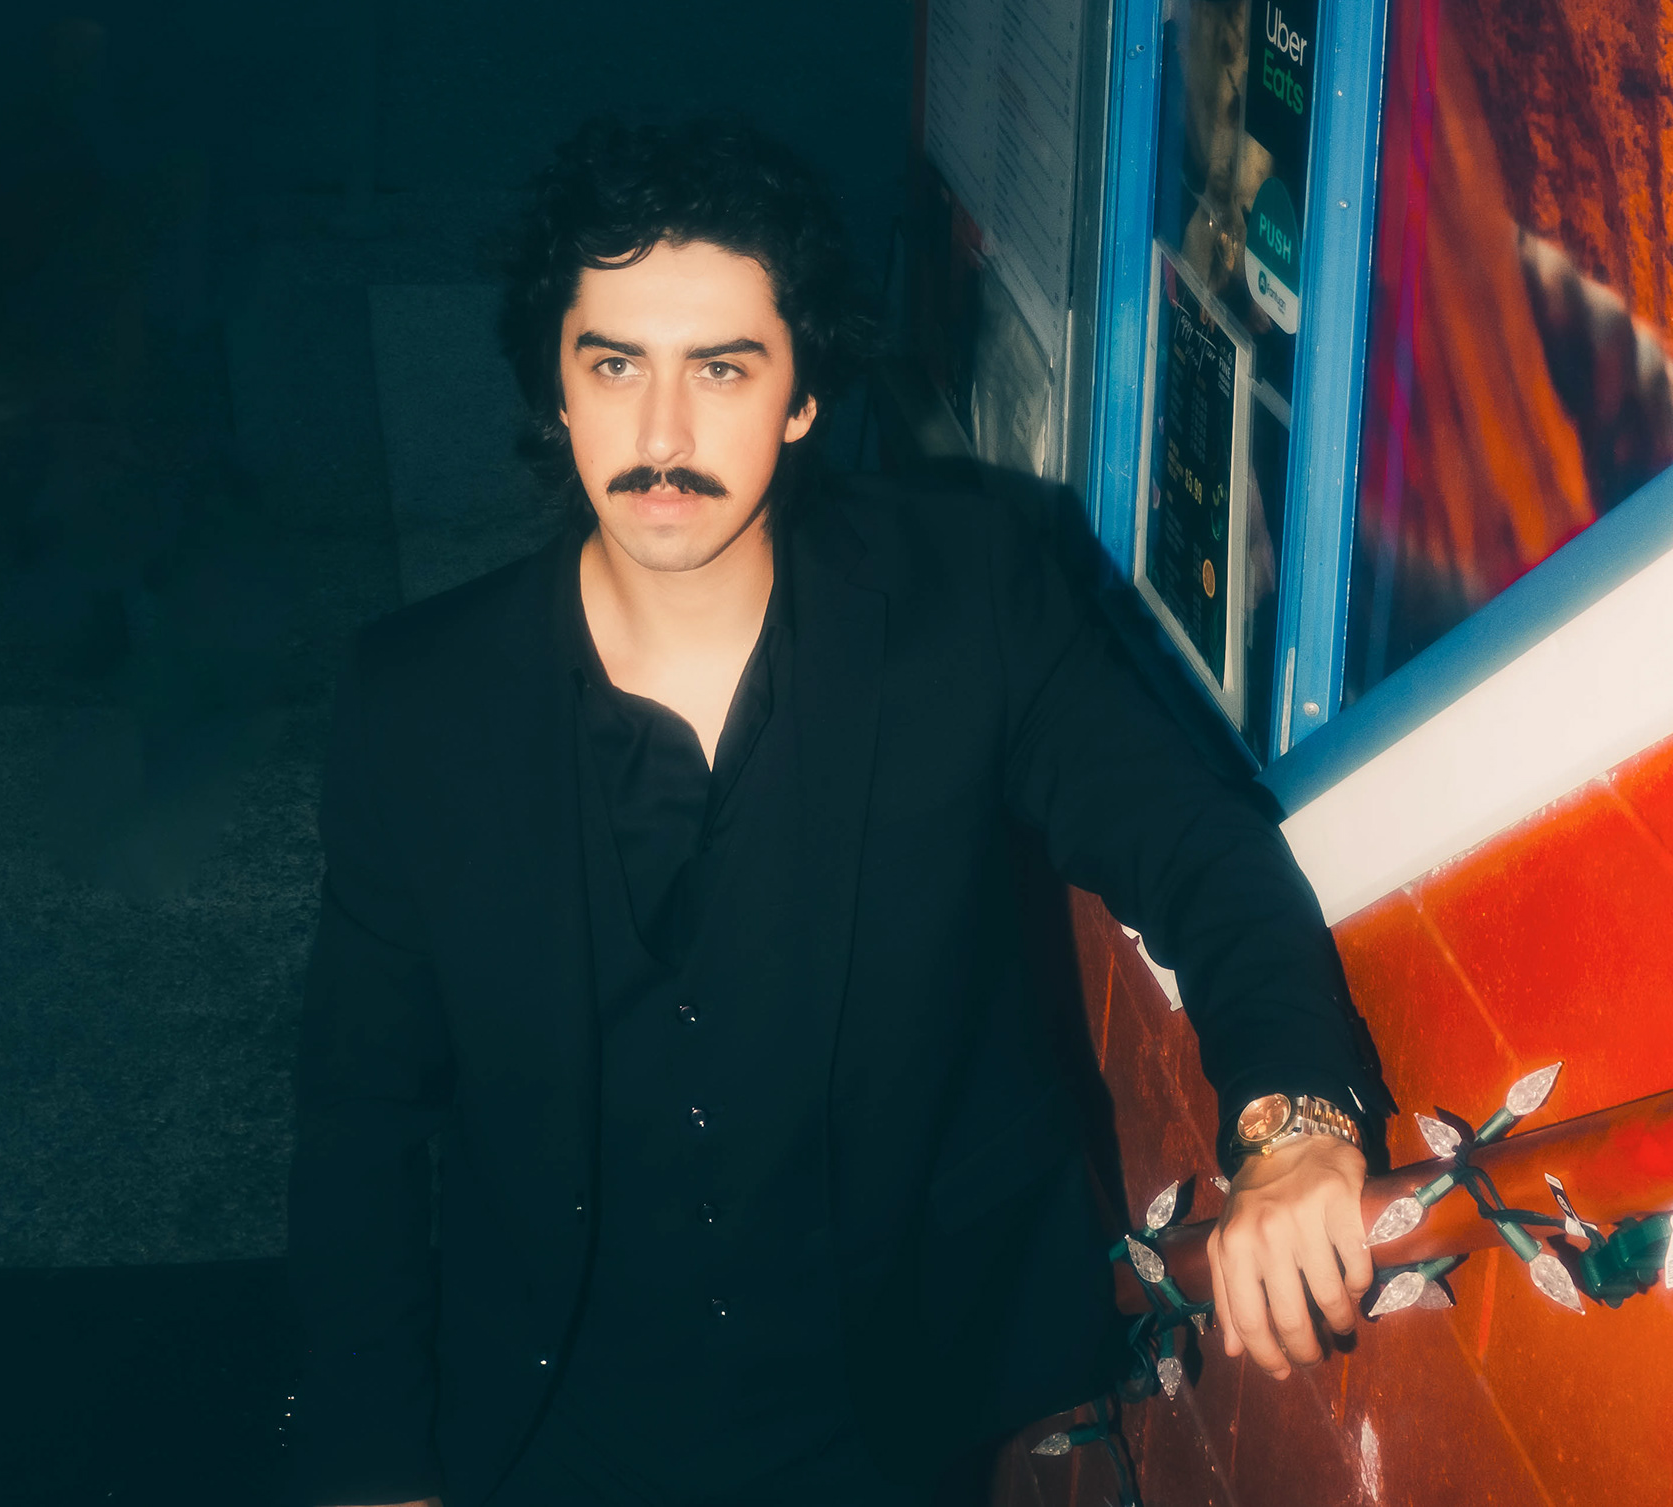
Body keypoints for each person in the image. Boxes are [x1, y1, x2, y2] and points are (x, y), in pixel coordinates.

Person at [288, 120, 1387, 1507]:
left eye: (723, 369)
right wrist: (371, 1470)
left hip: (889, 1412)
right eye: (614, 365)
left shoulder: (968, 595)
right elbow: (361, 1120)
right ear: (555, 388)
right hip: (556, 1415)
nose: (663, 436)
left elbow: (1195, 844)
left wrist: (1295, 1126)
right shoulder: (417, 705)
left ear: (802, 397)